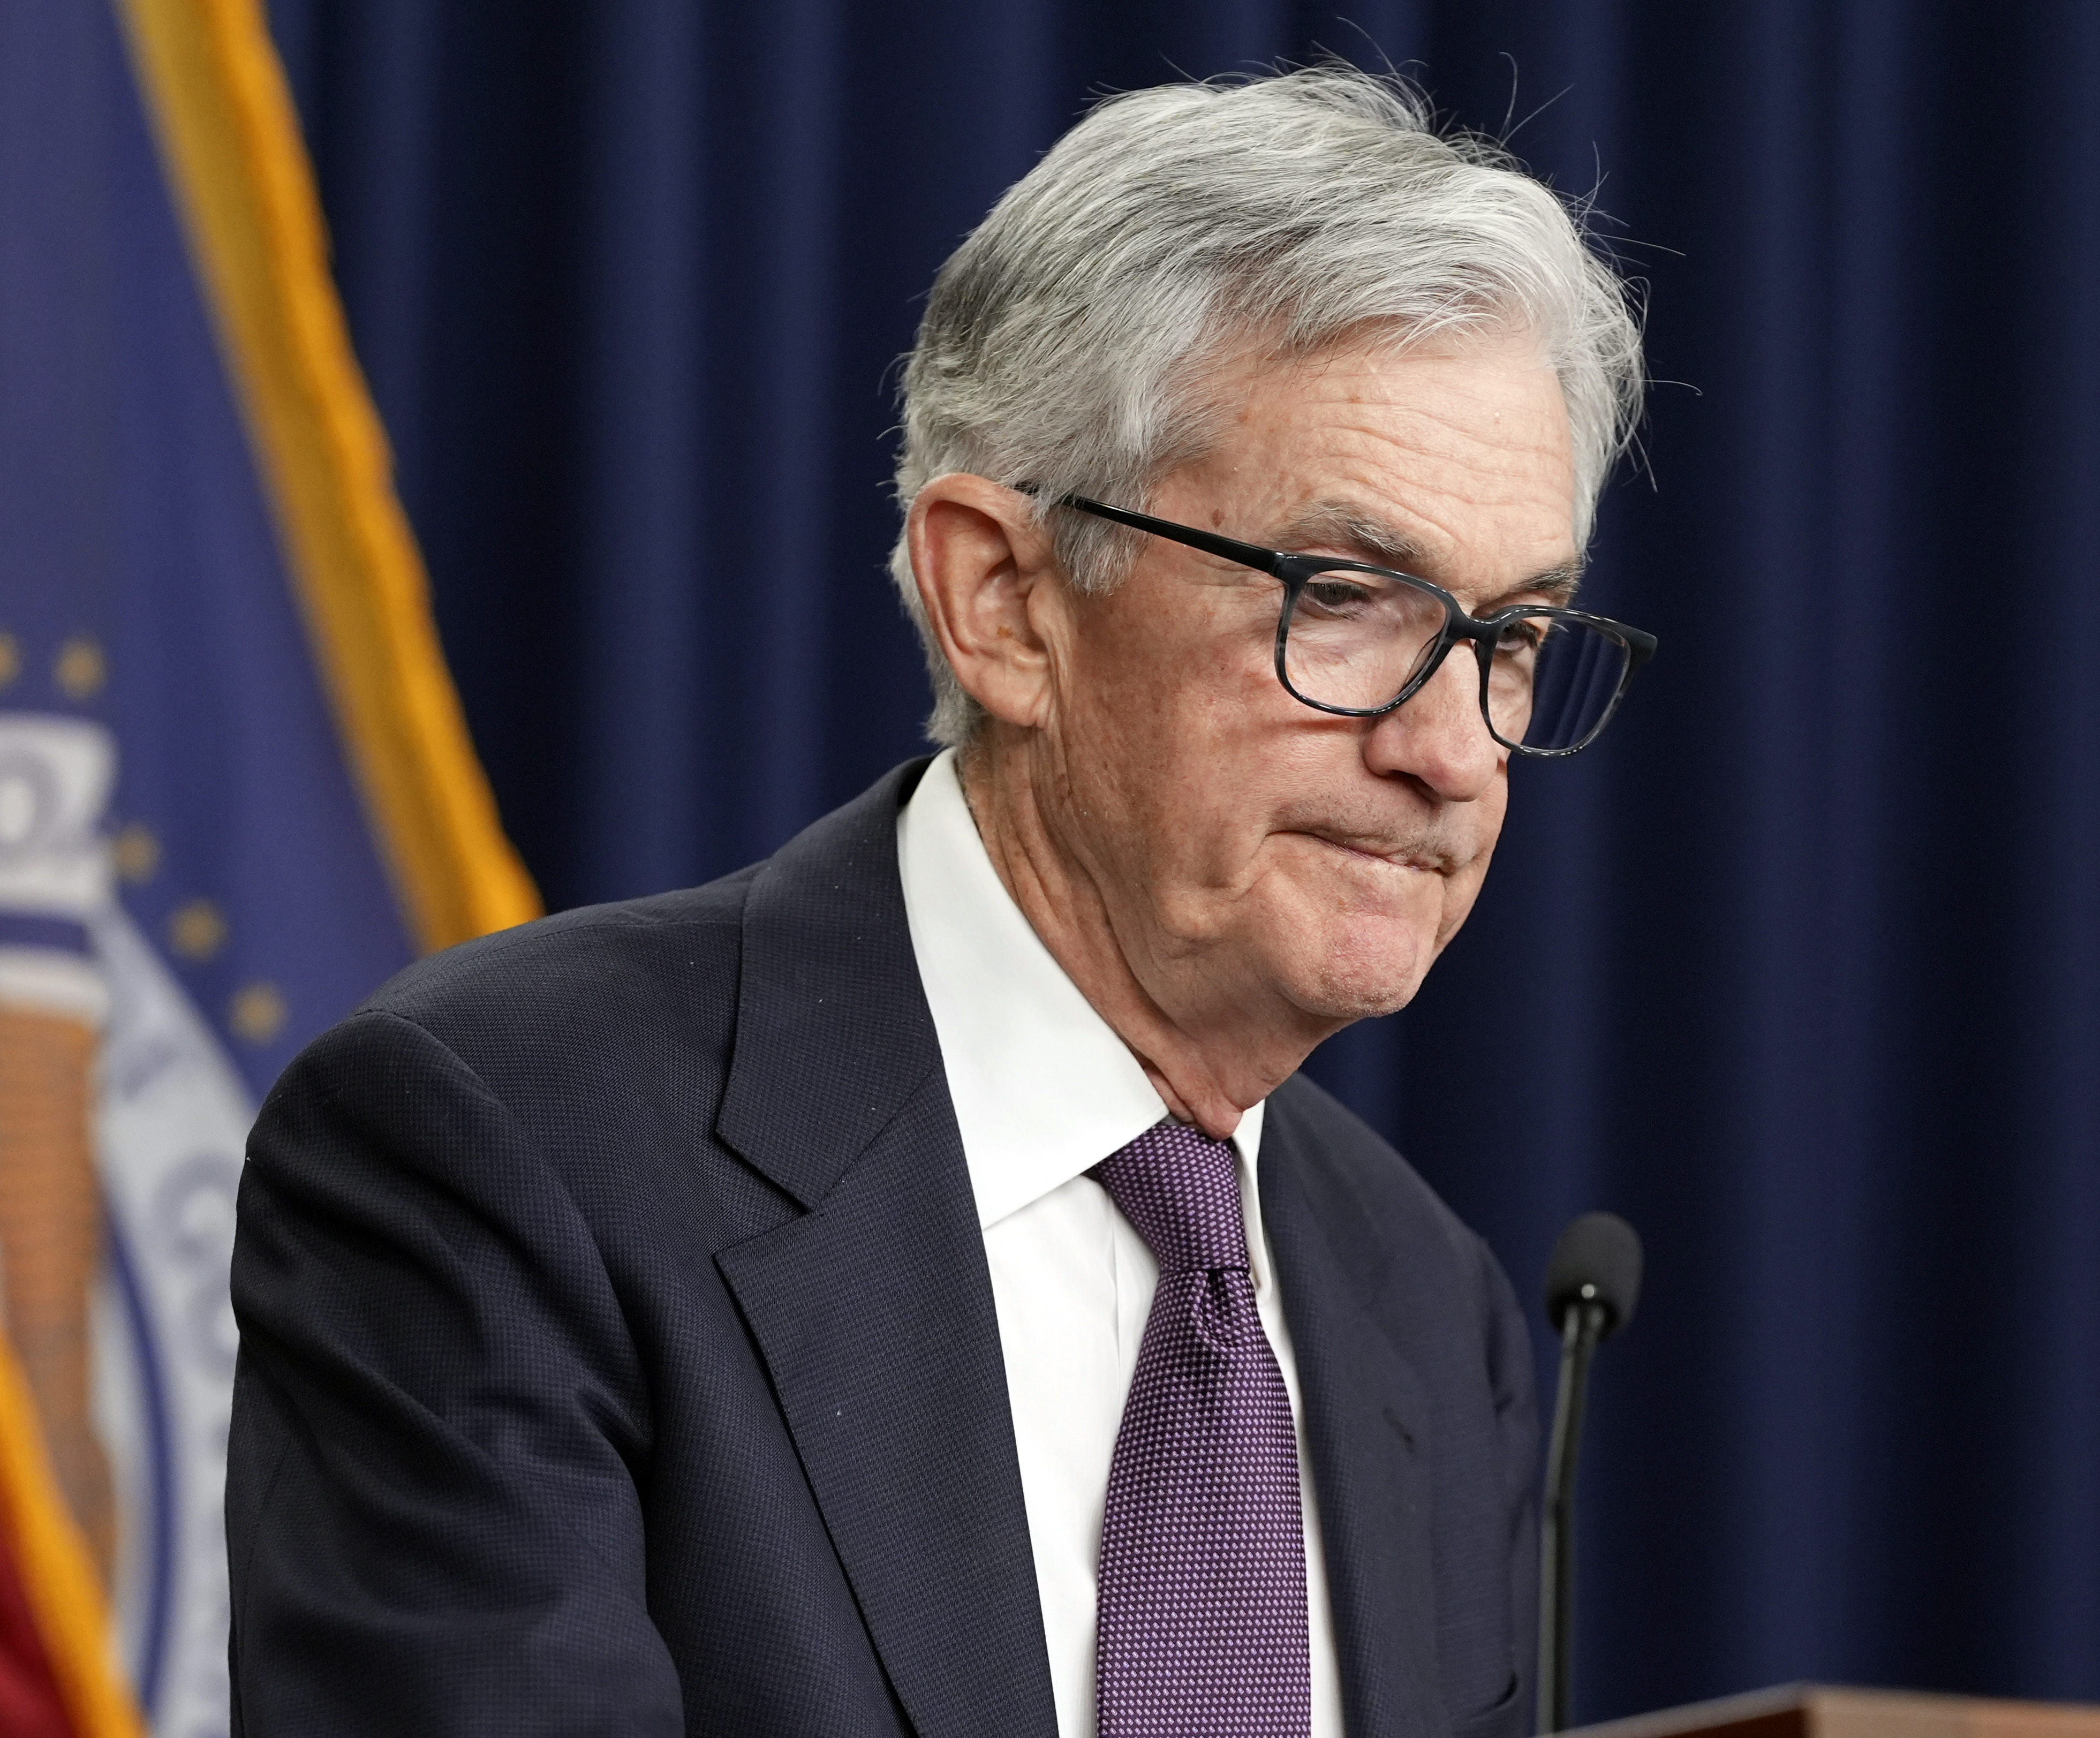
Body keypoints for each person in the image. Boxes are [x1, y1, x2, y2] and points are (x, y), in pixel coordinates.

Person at [226, 63, 1652, 1738]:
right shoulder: (506, 1153)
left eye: (1511, 639)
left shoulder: (1431, 1310)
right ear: (1005, 603)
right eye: (1343, 597)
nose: (1450, 751)